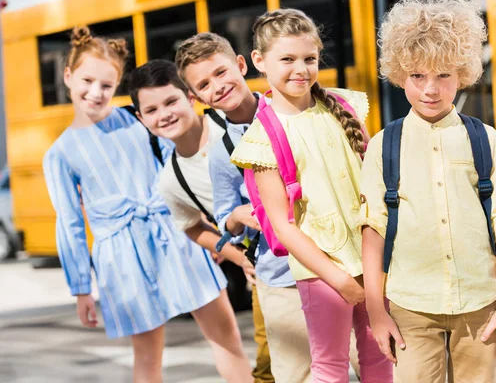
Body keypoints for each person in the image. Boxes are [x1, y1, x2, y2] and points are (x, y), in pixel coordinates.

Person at [43, 27, 227, 383]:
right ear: (68, 76)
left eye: (107, 85)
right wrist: (81, 288)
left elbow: (177, 167)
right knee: (147, 358)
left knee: (224, 336)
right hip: (122, 258)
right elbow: (69, 224)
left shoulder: (137, 118)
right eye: (87, 81)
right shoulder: (59, 154)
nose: (95, 92)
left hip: (174, 235)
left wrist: (205, 226)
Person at [360, 0, 496, 383]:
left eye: (443, 75)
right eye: (418, 76)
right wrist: (375, 310)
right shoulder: (384, 145)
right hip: (410, 305)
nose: (430, 89)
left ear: (462, 72)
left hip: (480, 301)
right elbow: (372, 228)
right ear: (400, 74)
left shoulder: (484, 138)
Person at [229, 9, 393, 383]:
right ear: (258, 61)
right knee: (329, 367)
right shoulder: (262, 138)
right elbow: (283, 227)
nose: (300, 69)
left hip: (372, 258)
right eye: (286, 59)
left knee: (383, 355)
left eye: (309, 59)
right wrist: (339, 280)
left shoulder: (344, 107)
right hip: (323, 272)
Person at [174, 31, 312, 383]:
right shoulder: (221, 150)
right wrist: (237, 216)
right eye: (204, 84)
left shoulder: (290, 109)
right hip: (277, 271)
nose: (217, 86)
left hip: (327, 254)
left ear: (241, 64)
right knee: (288, 370)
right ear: (196, 96)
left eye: (221, 73)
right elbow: (223, 216)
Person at [127, 59, 254, 382]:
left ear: (191, 98)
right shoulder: (171, 180)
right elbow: (192, 227)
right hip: (266, 264)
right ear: (142, 119)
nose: (164, 114)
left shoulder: (230, 124)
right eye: (152, 110)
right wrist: (241, 259)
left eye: (171, 101)